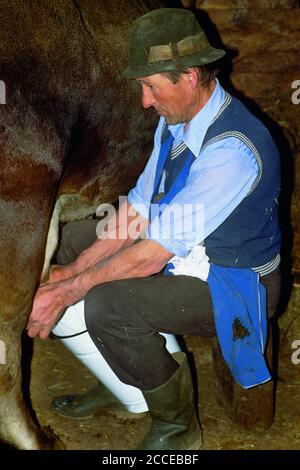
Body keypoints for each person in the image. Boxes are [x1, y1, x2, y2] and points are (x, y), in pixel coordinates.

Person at [27, 8, 282, 450]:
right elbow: (138, 210)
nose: (145, 101)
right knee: (69, 244)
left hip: (232, 278)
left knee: (110, 305)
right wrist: (72, 271)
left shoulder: (233, 151)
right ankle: (125, 385)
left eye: (150, 86)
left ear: (188, 76)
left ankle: (178, 428)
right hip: (181, 248)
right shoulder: (175, 122)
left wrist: (69, 291)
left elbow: (154, 252)